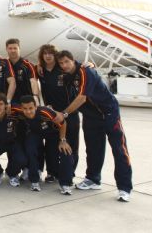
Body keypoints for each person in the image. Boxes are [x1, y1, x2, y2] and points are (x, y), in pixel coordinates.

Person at [56, 50, 133, 202]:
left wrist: (64, 114)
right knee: (93, 149)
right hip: (91, 117)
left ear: (73, 60)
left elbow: (82, 98)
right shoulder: (67, 77)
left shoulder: (86, 71)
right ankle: (93, 179)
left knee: (119, 149)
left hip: (108, 114)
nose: (64, 65)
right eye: (61, 63)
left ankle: (124, 188)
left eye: (66, 62)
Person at [37, 44, 79, 179]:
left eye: (50, 53)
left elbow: (77, 66)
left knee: (71, 144)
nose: (48, 56)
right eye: (45, 53)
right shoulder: (41, 70)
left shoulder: (63, 68)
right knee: (51, 145)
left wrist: (90, 64)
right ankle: (52, 172)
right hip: (51, 113)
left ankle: (69, 172)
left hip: (69, 112)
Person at [18, 95, 74, 195]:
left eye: (31, 108)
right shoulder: (19, 112)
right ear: (21, 108)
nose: (28, 111)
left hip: (53, 134)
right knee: (30, 149)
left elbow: (63, 122)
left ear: (36, 107)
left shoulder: (45, 112)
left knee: (66, 151)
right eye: (25, 109)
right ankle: (34, 180)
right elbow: (5, 107)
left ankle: (65, 184)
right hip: (35, 134)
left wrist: (63, 140)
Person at [0, 92, 26, 186]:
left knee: (21, 160)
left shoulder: (13, 112)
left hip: (12, 142)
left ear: (6, 105)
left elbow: (26, 108)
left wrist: (11, 104)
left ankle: (12, 174)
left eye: (1, 104)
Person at [5, 38, 40, 105]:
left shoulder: (28, 65)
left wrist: (35, 96)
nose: (13, 51)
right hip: (10, 103)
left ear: (19, 49)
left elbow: (33, 82)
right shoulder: (4, 64)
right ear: (6, 49)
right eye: (10, 48)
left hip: (26, 104)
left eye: (15, 48)